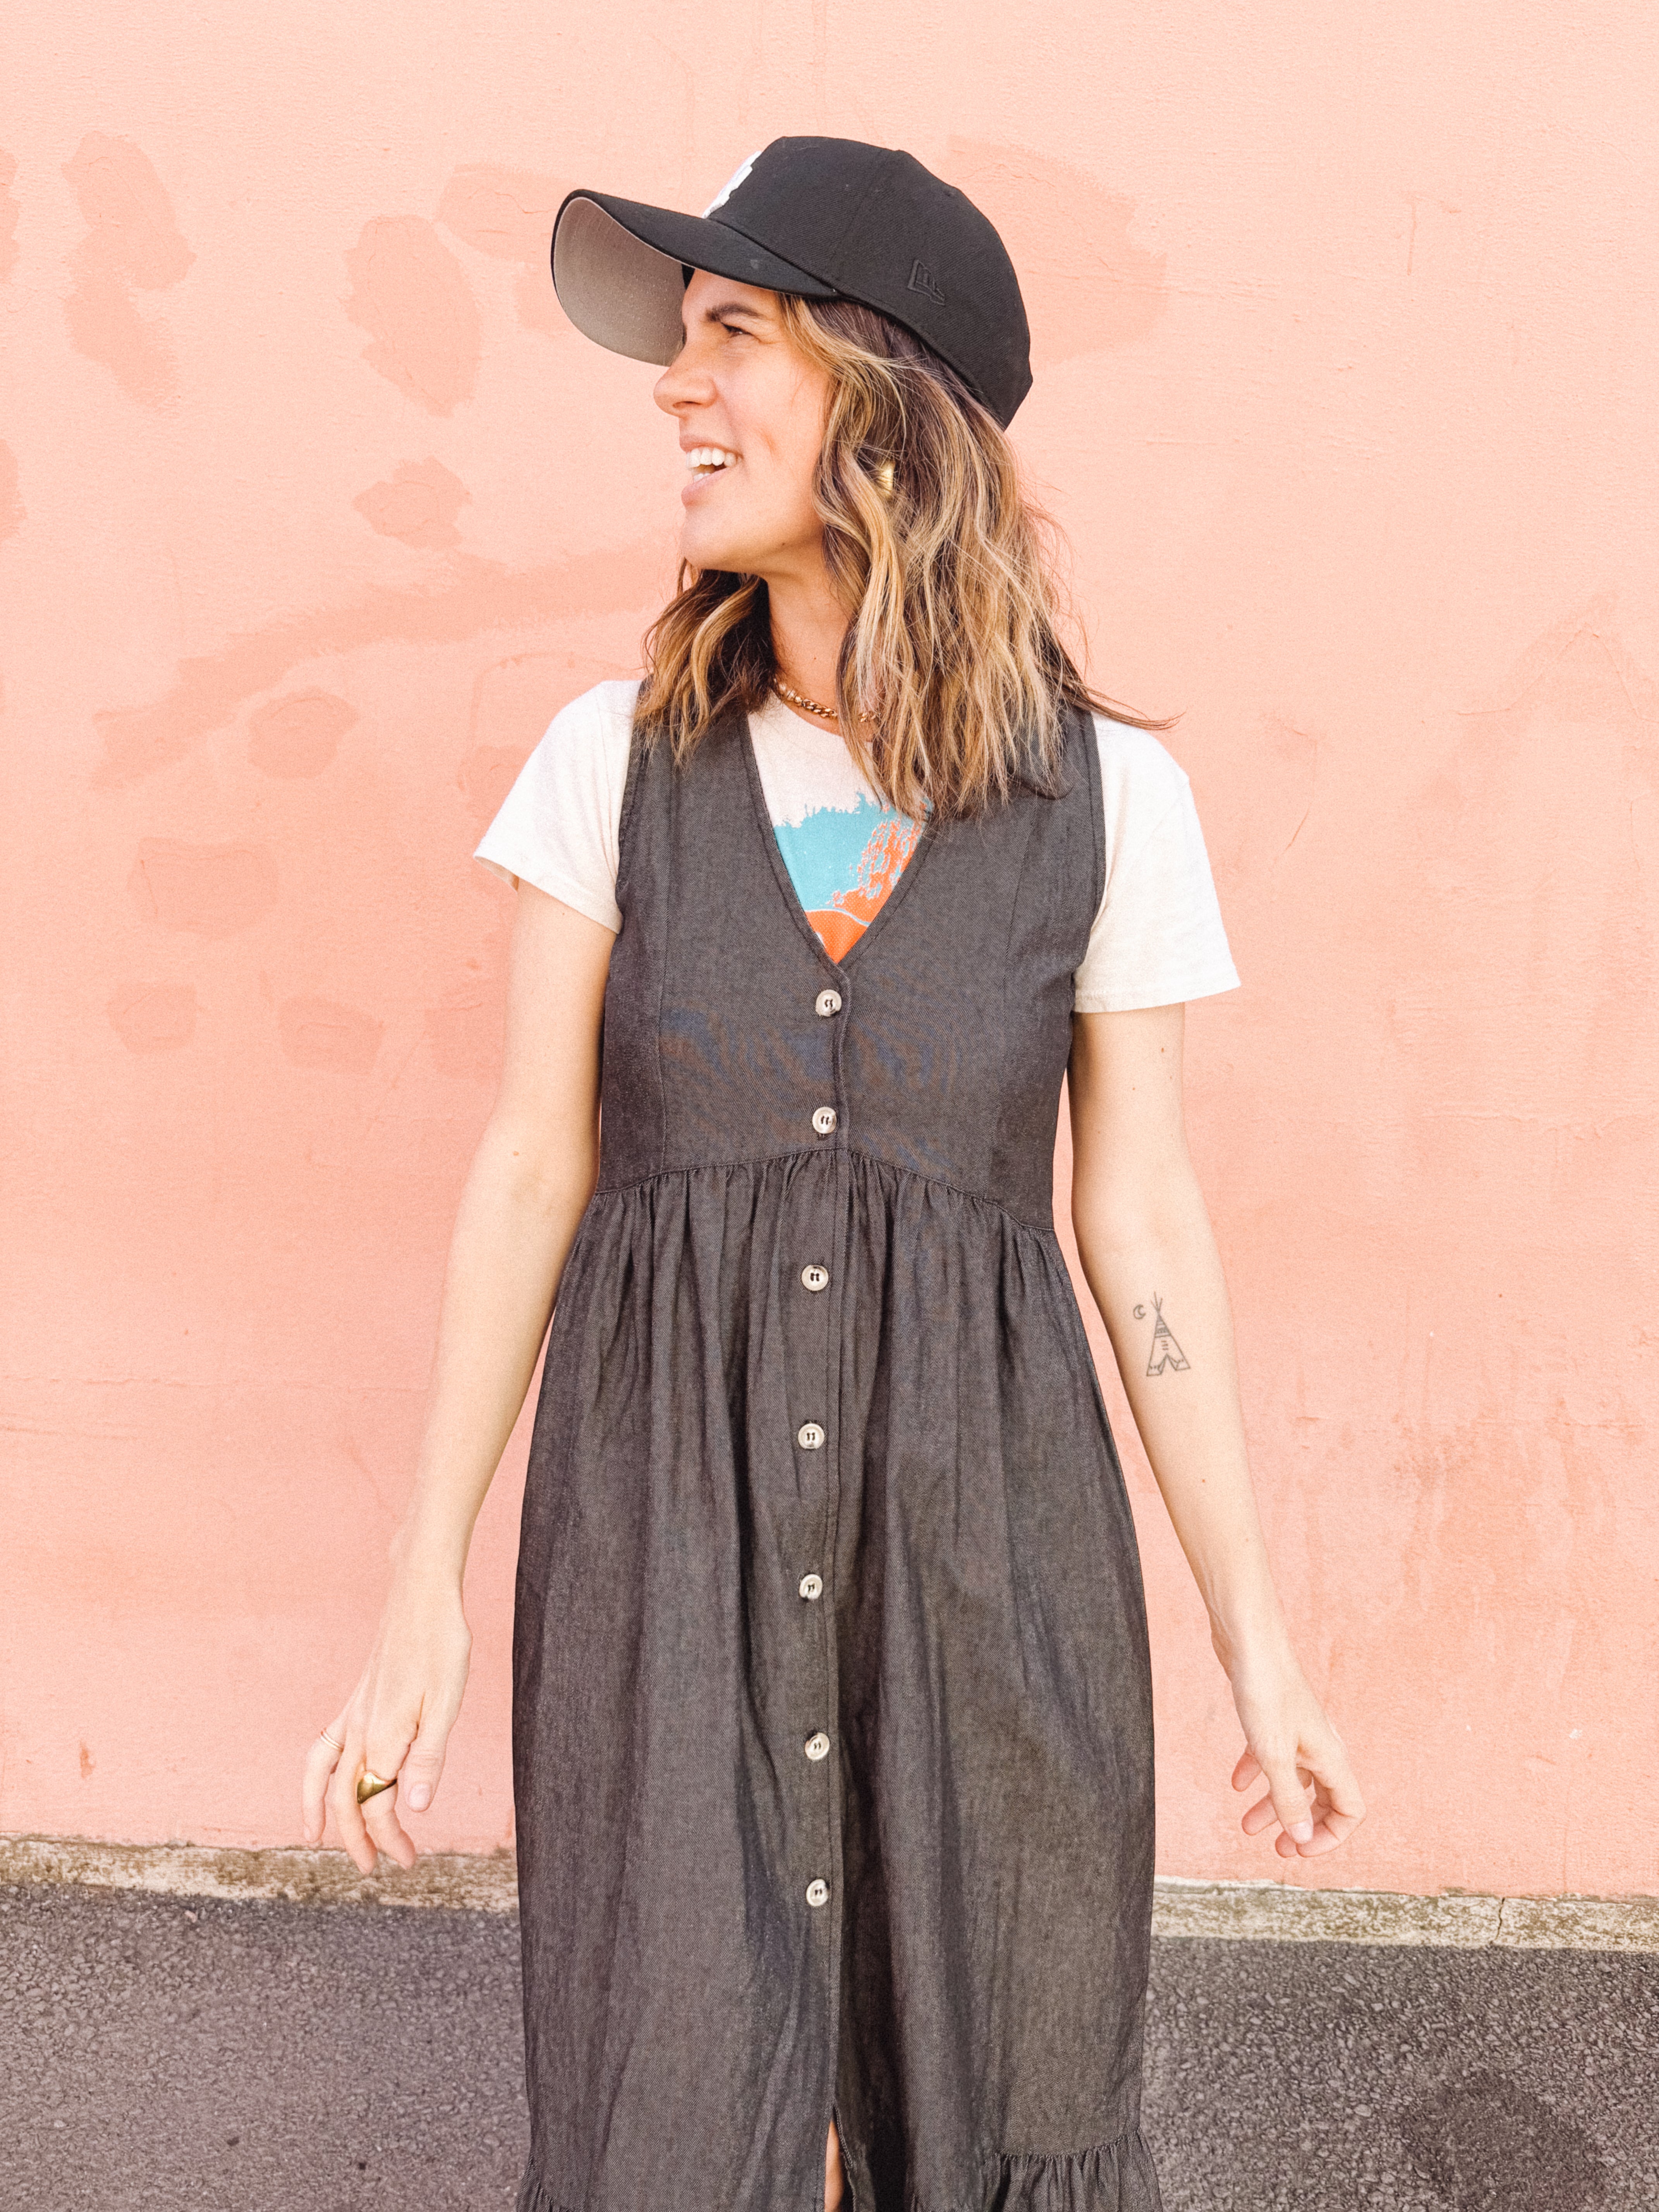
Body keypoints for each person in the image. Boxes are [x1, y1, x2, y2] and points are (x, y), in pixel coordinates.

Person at [301, 137, 1364, 2212]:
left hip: (993, 1569)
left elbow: (1137, 1224)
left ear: (886, 400)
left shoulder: (1111, 802)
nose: (675, 391)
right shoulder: (607, 767)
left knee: (1005, 2109)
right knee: (663, 2114)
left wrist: (1260, 1635)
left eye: (732, 337)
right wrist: (422, 1576)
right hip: (663, 1555)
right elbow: (534, 1165)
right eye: (680, 346)